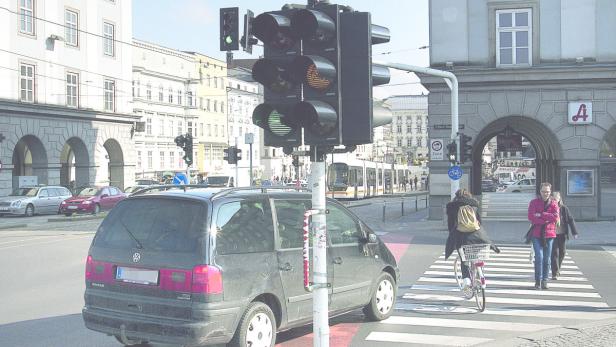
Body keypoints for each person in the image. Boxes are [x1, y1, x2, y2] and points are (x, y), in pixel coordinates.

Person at [445, 189, 499, 294]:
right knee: (477, 255)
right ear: (469, 195)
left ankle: (466, 282)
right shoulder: (474, 205)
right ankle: (480, 275)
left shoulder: (452, 207)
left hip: (461, 237)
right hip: (477, 236)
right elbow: (479, 222)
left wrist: (452, 236)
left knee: (464, 260)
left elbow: (450, 226)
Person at [528, 182, 560, 290]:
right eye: (543, 191)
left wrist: (541, 214)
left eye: (547, 192)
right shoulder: (534, 202)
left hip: (549, 234)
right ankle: (538, 280)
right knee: (539, 257)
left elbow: (555, 217)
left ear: (550, 192)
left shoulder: (554, 203)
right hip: (536, 234)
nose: (545, 193)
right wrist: (545, 219)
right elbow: (531, 216)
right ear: (540, 191)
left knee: (547, 259)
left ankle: (545, 280)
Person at [550, 191, 579, 280]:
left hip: (562, 234)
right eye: (553, 199)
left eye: (556, 199)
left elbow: (570, 220)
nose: (555, 200)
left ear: (559, 199)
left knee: (562, 252)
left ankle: (558, 267)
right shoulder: (549, 208)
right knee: (554, 253)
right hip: (552, 234)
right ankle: (554, 273)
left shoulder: (563, 208)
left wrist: (575, 232)